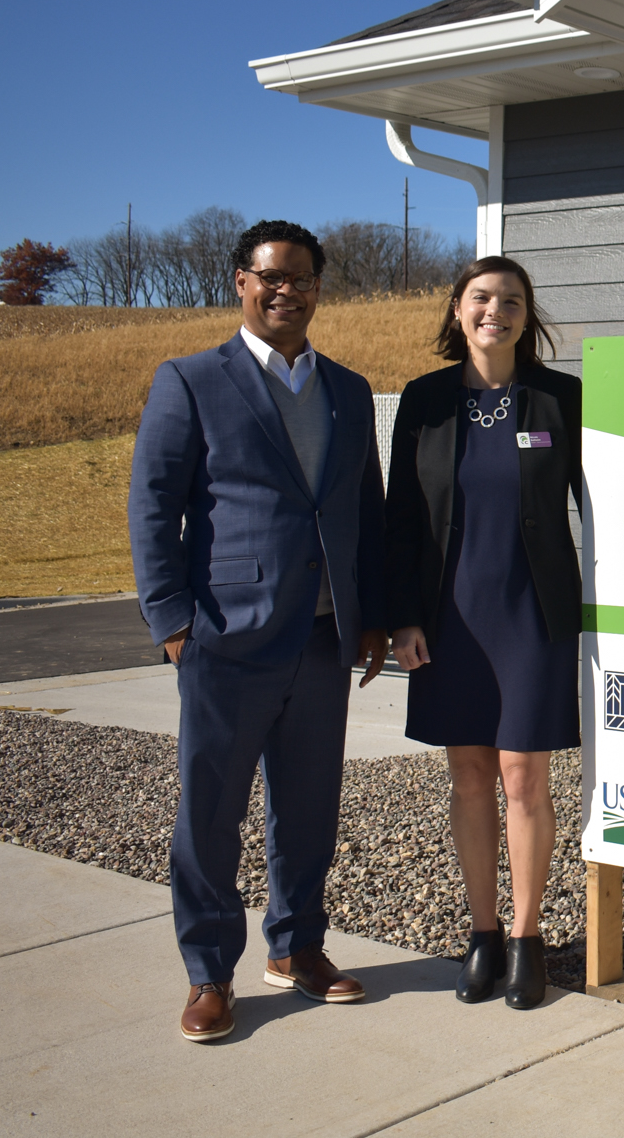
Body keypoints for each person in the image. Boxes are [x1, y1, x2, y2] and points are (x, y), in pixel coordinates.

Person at [129, 220, 390, 1044]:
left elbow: (364, 512)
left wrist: (372, 612)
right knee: (211, 814)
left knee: (308, 808)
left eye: (302, 278)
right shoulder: (191, 380)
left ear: (318, 288)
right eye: (270, 276)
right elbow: (152, 506)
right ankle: (209, 971)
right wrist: (174, 622)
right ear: (241, 281)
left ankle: (298, 946)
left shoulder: (348, 390)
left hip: (321, 641)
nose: (287, 290)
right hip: (224, 641)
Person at [385, 256, 581, 1010]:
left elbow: (605, 505)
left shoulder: (561, 399)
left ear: (526, 316)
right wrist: (402, 616)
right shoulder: (426, 400)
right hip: (447, 618)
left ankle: (529, 939)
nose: (494, 310)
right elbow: (402, 512)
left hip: (532, 613)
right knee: (467, 776)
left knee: (525, 779)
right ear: (457, 309)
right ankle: (483, 933)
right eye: (481, 298)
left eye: (510, 300)